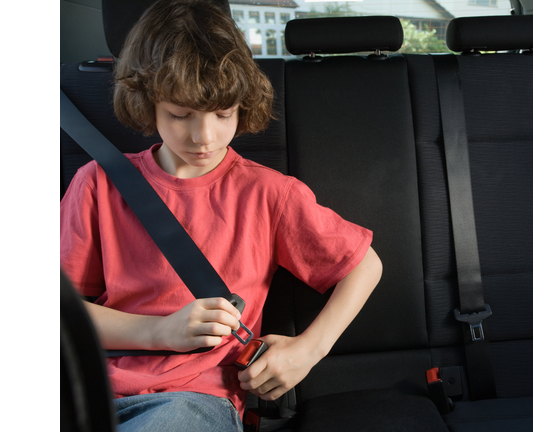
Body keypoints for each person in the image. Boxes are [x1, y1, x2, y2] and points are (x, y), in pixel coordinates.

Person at [59, 0, 382, 430]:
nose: (203, 136)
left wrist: (307, 351)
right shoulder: (97, 184)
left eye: (223, 114)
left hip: (188, 399)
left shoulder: (269, 194)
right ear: (146, 103)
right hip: (81, 389)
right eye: (179, 115)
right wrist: (159, 332)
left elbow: (365, 266)